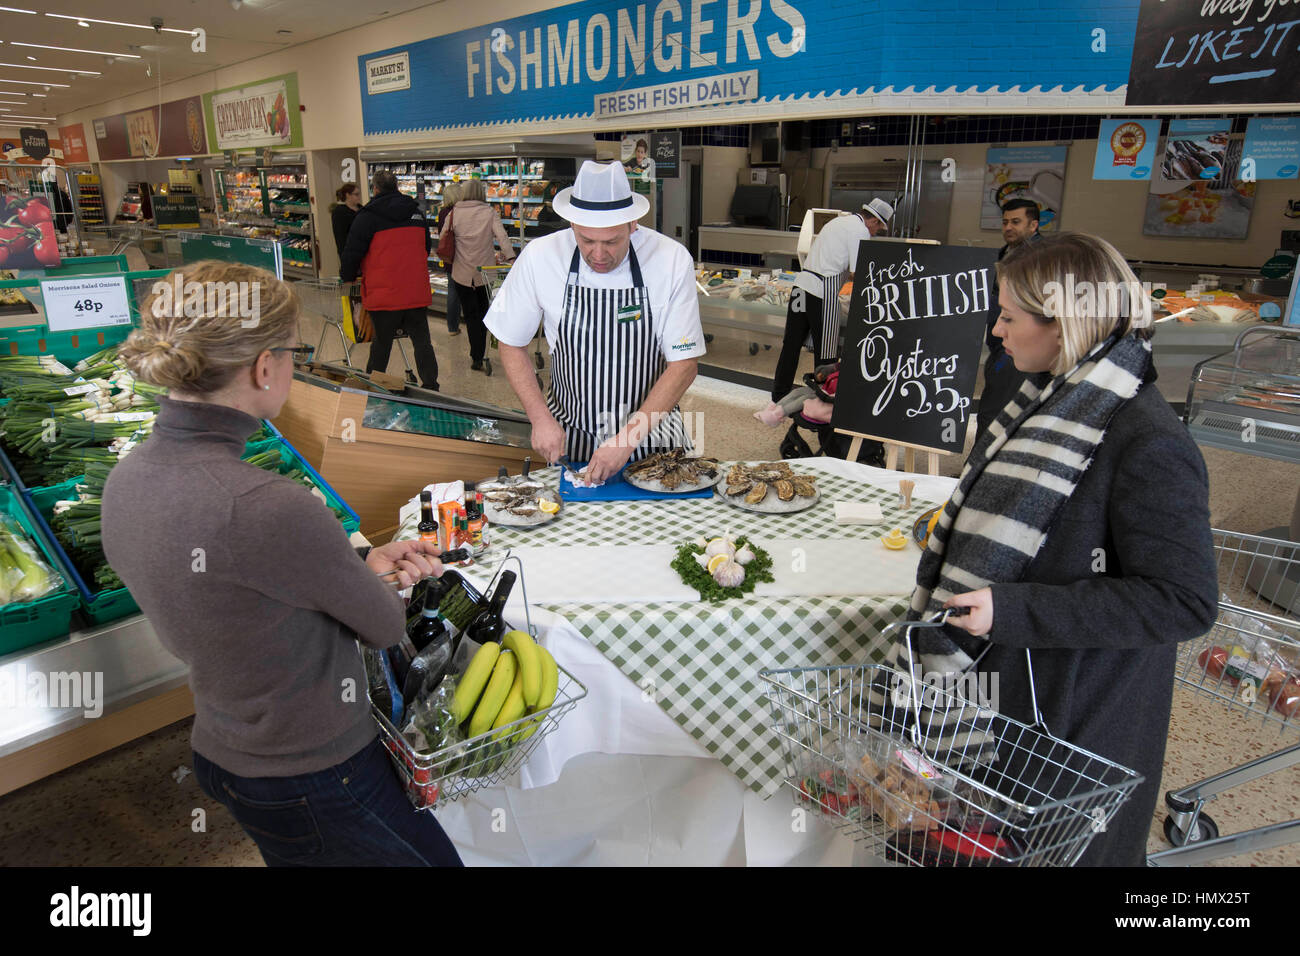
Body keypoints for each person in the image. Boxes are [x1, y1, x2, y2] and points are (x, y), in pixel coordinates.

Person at [100, 260, 462, 867]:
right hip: (318, 770)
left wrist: (354, 563)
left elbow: (239, 596)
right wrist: (364, 577)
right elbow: (384, 625)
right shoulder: (265, 505)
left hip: (229, 747)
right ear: (265, 367)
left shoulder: (127, 478)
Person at [890, 232, 1217, 866]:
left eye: (1009, 317)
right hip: (1015, 703)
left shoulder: (1146, 440)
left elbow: (1183, 601)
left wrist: (1015, 611)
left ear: (1064, 323)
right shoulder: (1050, 401)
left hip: (1075, 724)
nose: (997, 332)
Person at [484, 160, 704, 483]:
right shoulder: (540, 257)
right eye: (587, 240)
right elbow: (510, 341)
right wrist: (539, 417)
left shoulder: (671, 260)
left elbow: (684, 364)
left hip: (652, 441)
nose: (598, 254)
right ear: (572, 224)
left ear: (633, 224)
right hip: (571, 440)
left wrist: (627, 439)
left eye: (612, 241)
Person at [771, 198, 893, 403]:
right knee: (826, 351)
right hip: (821, 293)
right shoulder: (860, 231)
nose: (875, 232)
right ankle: (823, 400)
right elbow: (858, 271)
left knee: (790, 346)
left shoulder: (838, 221)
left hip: (801, 287)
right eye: (878, 228)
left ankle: (779, 395)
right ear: (873, 221)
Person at [340, 169, 440, 390]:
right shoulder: (417, 214)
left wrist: (346, 278)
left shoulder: (366, 217)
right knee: (422, 341)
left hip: (384, 292)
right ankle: (431, 385)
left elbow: (352, 252)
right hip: (415, 291)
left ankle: (373, 387)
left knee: (382, 344)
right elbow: (424, 249)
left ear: (375, 189)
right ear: (396, 187)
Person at [974, 198, 1043, 442]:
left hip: (1020, 346)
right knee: (991, 407)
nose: (1008, 227)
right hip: (999, 342)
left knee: (999, 411)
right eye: (1005, 222)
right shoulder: (1005, 254)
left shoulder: (1041, 258)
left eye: (1016, 222)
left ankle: (980, 472)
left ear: (1033, 225)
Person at [440, 177, 515, 374]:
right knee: (484, 313)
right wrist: (512, 258)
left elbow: (442, 238)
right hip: (486, 274)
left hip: (461, 273)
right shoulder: (489, 212)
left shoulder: (454, 213)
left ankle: (476, 356)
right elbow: (502, 237)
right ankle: (482, 352)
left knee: (471, 315)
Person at [435, 183, 463, 336]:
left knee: (452, 292)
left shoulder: (442, 213)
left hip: (449, 257)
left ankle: (452, 327)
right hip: (463, 257)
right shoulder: (461, 212)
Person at [329, 183, 361, 263]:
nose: (359, 197)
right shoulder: (340, 212)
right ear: (348, 195)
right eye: (356, 194)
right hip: (349, 253)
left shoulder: (361, 208)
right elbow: (340, 236)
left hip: (362, 250)